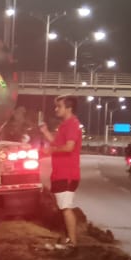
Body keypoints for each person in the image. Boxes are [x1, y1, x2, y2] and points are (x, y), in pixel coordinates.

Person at [38, 96, 84, 250]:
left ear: (68, 108)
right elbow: (58, 144)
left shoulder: (72, 125)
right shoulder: (65, 125)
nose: (56, 109)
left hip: (67, 174)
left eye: (59, 106)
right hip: (60, 173)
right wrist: (45, 132)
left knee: (66, 208)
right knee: (62, 207)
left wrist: (50, 150)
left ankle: (72, 242)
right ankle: (67, 240)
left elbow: (69, 147)